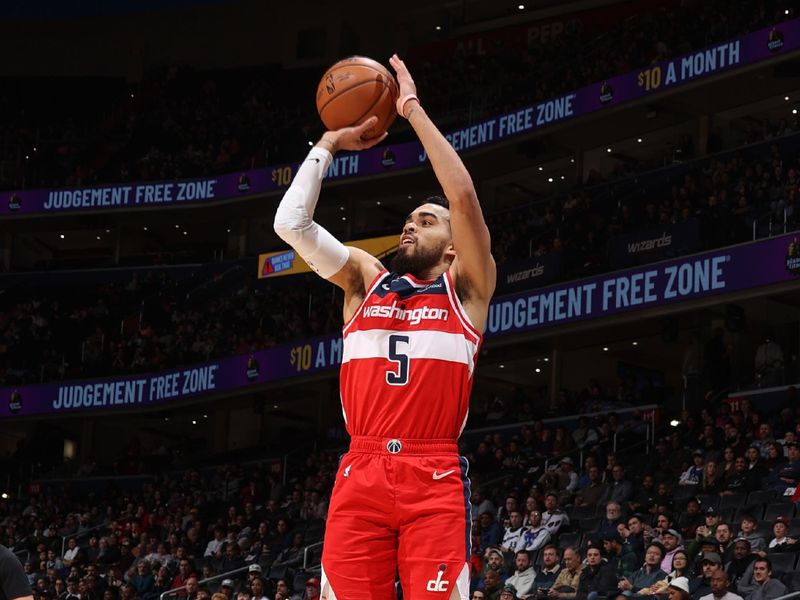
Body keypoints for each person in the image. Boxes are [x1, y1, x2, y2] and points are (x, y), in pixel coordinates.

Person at [274, 54, 496, 600]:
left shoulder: (467, 290)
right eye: (408, 220)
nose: (409, 225)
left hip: (434, 472)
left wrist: (411, 110)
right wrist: (328, 145)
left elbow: (463, 198)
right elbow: (290, 224)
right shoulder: (363, 281)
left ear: (451, 247)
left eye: (426, 220)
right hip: (362, 469)